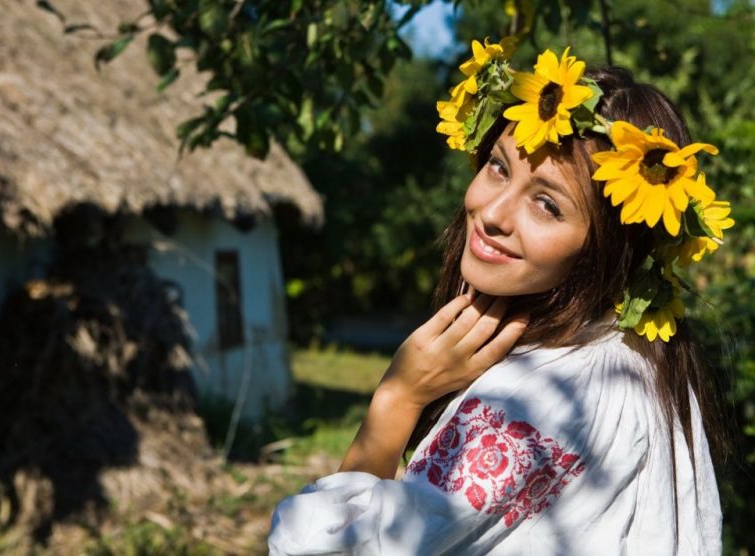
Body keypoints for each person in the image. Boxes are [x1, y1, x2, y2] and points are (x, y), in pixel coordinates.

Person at [268, 42, 733, 555]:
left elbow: (329, 548)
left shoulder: (538, 401)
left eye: (547, 205)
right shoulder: (640, 362)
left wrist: (397, 398)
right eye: (498, 166)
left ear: (609, 246)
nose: (492, 212)